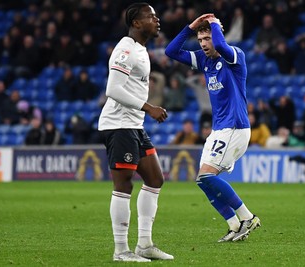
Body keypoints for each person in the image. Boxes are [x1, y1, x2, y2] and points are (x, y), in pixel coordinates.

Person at [165, 13, 260, 243]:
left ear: (216, 35)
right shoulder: (204, 60)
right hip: (219, 130)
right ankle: (234, 224)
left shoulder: (235, 56)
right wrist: (190, 28)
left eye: (206, 38)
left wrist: (214, 24)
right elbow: (171, 52)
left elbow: (220, 44)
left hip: (235, 127)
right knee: (202, 180)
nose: (204, 44)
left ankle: (248, 217)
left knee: (207, 175)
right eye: (200, 41)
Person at [97, 3, 173, 262]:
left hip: (134, 125)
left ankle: (144, 244)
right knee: (123, 185)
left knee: (155, 179)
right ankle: (121, 250)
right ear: (137, 23)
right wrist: (149, 107)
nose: (157, 19)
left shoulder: (140, 49)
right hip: (118, 125)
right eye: (151, 16)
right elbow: (113, 89)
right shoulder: (126, 48)